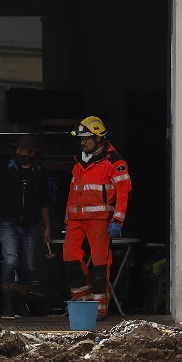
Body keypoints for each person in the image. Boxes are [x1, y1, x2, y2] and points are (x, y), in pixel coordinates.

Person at [63, 116, 131, 318]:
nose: (82, 142)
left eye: (86, 138)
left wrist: (117, 220)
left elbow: (123, 192)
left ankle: (99, 306)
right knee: (69, 257)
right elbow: (72, 192)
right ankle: (82, 298)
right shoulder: (78, 162)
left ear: (99, 138)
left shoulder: (114, 161)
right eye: (81, 138)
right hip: (76, 220)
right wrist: (67, 220)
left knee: (101, 263)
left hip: (100, 220)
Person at [0, 136, 54, 317]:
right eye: (17, 149)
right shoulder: (6, 168)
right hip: (9, 223)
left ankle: (20, 304)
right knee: (10, 262)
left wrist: (48, 227)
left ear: (32, 152)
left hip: (30, 225)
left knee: (27, 267)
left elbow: (44, 202)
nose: (18, 152)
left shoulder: (40, 172)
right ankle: (8, 306)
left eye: (23, 149)